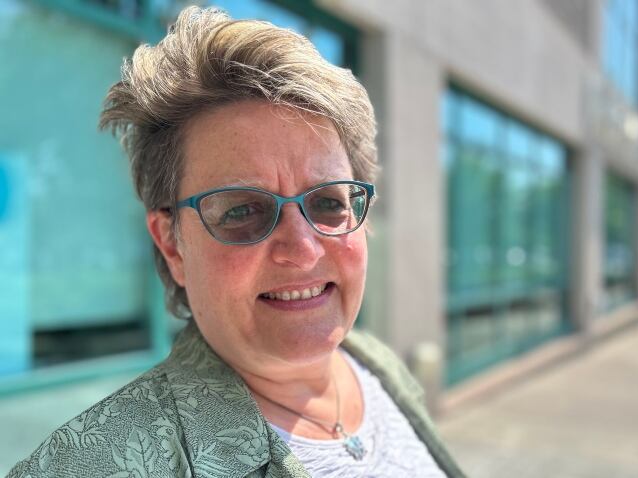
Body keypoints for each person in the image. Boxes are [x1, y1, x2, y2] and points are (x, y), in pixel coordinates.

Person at [8, 7, 464, 478]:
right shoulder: (96, 465)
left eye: (328, 203)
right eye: (242, 211)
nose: (304, 249)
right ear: (172, 244)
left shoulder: (378, 366)